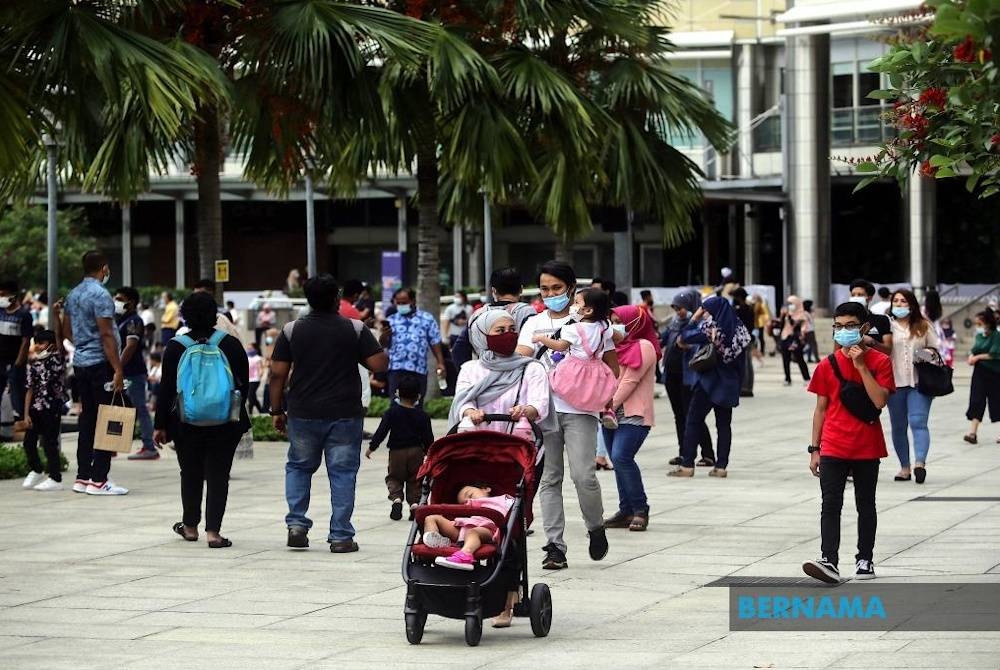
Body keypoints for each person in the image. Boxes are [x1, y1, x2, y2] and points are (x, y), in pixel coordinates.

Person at [269, 274, 388, 553]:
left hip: (303, 411)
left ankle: (297, 525)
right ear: (337, 298)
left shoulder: (291, 330)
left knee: (299, 466)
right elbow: (378, 365)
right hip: (345, 412)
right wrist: (381, 342)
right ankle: (340, 536)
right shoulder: (355, 329)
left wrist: (276, 409)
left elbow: (277, 374)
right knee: (343, 473)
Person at [516, 261, 617, 570]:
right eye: (545, 289)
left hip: (581, 410)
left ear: (572, 289)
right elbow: (520, 362)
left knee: (583, 476)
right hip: (545, 410)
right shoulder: (533, 323)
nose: (550, 294)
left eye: (557, 288)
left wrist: (607, 399)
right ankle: (554, 546)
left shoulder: (598, 325)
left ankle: (595, 526)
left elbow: (612, 366)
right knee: (550, 478)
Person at [802, 301, 894, 584]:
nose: (843, 331)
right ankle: (828, 559)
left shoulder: (880, 362)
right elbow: (820, 409)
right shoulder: (826, 366)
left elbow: (880, 400)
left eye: (850, 326)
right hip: (833, 445)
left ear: (865, 328)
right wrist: (815, 449)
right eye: (838, 326)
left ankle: (865, 559)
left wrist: (861, 366)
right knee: (830, 504)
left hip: (867, 445)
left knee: (866, 504)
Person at [154, 292, 250, 548]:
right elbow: (244, 385)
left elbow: (165, 390)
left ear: (184, 315)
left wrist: (160, 425)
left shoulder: (176, 346)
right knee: (219, 475)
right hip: (225, 422)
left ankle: (190, 526)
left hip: (185, 421)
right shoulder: (230, 344)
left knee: (190, 473)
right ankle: (214, 533)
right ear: (214, 315)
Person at [62, 251, 128, 495]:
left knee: (88, 419)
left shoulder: (73, 293)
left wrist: (83, 343)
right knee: (108, 419)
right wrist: (118, 368)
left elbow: (68, 330)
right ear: (104, 268)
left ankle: (83, 476)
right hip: (102, 364)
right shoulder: (101, 295)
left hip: (81, 363)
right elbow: (106, 334)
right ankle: (100, 479)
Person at [668, 296, 751, 478]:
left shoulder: (712, 329)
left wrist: (694, 318)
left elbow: (685, 335)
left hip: (709, 383)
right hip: (730, 384)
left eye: (706, 309)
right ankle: (721, 467)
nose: (704, 312)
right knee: (724, 425)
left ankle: (687, 465)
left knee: (693, 421)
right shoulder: (741, 331)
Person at [451, 310, 550, 442]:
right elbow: (463, 400)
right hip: (478, 445)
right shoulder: (470, 369)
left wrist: (525, 411)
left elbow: (540, 403)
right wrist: (471, 412)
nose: (508, 335)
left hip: (520, 447)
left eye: (512, 329)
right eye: (500, 330)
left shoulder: (532, 368)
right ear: (482, 336)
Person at [601, 305, 658, 532]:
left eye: (619, 320)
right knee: (618, 461)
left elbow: (629, 381)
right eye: (612, 320)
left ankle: (640, 509)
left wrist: (608, 406)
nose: (615, 325)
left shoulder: (645, 347)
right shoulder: (612, 346)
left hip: (633, 414)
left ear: (635, 323)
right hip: (607, 413)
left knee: (621, 457)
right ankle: (625, 510)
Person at [531, 289, 617, 430]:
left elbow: (560, 346)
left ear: (588, 310)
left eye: (577, 302)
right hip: (596, 365)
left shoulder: (573, 329)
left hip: (575, 365)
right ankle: (608, 411)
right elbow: (618, 337)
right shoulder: (604, 326)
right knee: (605, 387)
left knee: (553, 380)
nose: (573, 305)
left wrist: (542, 338)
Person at [886, 289, 938, 484]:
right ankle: (904, 468)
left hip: (920, 383)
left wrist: (922, 355)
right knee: (898, 427)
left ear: (912, 304)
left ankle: (919, 464)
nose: (899, 305)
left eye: (903, 301)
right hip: (895, 384)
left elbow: (936, 351)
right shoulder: (888, 326)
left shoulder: (923, 325)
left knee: (918, 422)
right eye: (896, 301)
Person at [366, 375, 435, 521]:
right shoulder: (423, 416)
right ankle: (414, 505)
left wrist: (372, 447)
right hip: (416, 451)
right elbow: (428, 437)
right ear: (418, 396)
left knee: (394, 477)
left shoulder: (391, 412)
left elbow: (381, 431)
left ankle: (397, 499)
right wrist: (431, 453)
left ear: (397, 393)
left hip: (396, 452)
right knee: (414, 479)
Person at [661, 290, 715, 468]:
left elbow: (692, 342)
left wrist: (692, 321)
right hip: (671, 375)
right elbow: (663, 340)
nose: (679, 311)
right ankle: (683, 452)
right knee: (679, 416)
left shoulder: (699, 325)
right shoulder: (674, 323)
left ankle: (707, 454)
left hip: (688, 377)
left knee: (692, 416)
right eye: (676, 307)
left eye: (681, 307)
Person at [452, 268, 535, 374]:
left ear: (494, 291)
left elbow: (458, 350)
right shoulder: (527, 312)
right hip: (519, 375)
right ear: (521, 289)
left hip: (485, 375)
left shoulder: (478, 314)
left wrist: (469, 374)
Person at [421, 483, 516, 570]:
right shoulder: (470, 506)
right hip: (465, 526)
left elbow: (514, 508)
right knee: (431, 518)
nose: (468, 501)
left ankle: (465, 555)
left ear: (486, 489)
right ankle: (437, 540)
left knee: (473, 532)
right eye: (463, 503)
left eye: (470, 495)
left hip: (488, 528)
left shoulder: (501, 499)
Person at [21, 326, 66, 491]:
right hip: (35, 408)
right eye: (37, 343)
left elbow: (61, 340)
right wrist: (26, 414)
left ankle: (55, 478)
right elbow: (29, 389)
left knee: (49, 443)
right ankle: (37, 469)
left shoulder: (57, 359)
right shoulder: (33, 363)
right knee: (28, 443)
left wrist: (56, 314)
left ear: (51, 343)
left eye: (42, 343)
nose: (38, 346)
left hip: (51, 408)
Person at [115, 287, 157, 461]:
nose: (115, 302)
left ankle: (149, 447)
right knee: (118, 408)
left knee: (140, 408)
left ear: (130, 302)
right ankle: (112, 445)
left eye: (119, 299)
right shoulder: (120, 320)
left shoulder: (134, 321)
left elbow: (130, 346)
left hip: (132, 373)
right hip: (123, 372)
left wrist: (117, 367)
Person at [380, 287, 446, 400]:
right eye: (398, 303)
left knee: (416, 403)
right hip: (396, 369)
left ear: (412, 301)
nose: (401, 305)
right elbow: (383, 345)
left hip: (418, 369)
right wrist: (384, 336)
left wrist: (440, 362)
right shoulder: (391, 320)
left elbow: (434, 341)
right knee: (396, 404)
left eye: (404, 302)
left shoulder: (426, 319)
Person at [964, 309, 1000, 445]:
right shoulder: (979, 336)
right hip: (980, 372)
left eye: (980, 323)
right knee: (977, 400)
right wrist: (971, 357)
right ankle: (972, 433)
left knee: (997, 401)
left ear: (987, 323)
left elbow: (994, 354)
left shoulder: (996, 335)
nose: (977, 326)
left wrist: (977, 357)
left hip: (995, 373)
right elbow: (974, 349)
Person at [0, 279, 33, 419]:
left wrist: (18, 363)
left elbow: (25, 341)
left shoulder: (24, 315)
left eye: (4, 294)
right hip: (0, 359)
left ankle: (20, 421)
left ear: (13, 295)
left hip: (15, 360)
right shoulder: (0, 311)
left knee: (16, 392)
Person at [847, 279, 893, 355]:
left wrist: (872, 342)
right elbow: (837, 351)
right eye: (853, 295)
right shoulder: (844, 321)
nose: (855, 297)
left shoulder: (882, 320)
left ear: (870, 297)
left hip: (875, 365)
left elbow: (888, 350)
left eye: (860, 295)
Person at [779, 295, 812, 386]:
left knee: (799, 358)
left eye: (791, 303)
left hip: (795, 339)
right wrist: (782, 316)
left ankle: (806, 378)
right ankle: (787, 378)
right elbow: (781, 326)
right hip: (785, 337)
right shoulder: (786, 314)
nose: (789, 305)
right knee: (785, 359)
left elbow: (798, 327)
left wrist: (789, 316)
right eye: (788, 303)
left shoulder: (801, 315)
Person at [732, 288, 756, 397]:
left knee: (744, 363)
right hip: (749, 337)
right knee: (749, 363)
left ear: (739, 297)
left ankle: (744, 387)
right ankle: (749, 386)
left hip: (742, 338)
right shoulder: (750, 308)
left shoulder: (740, 310)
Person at [246, 343, 264, 415]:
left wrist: (260, 375)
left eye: (251, 348)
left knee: (250, 395)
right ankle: (261, 412)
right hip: (249, 380)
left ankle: (250, 413)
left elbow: (261, 368)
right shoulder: (247, 357)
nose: (249, 350)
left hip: (255, 380)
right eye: (248, 349)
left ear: (255, 349)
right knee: (253, 396)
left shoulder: (258, 358)